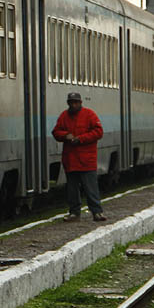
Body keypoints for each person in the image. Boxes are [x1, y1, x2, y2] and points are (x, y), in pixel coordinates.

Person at [52, 91, 105, 222]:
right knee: (72, 189)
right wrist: (65, 135)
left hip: (87, 160)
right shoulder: (64, 116)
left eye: (76, 102)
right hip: (70, 160)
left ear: (80, 103)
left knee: (91, 188)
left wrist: (80, 139)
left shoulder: (89, 115)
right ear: (68, 103)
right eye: (71, 102)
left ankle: (97, 212)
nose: (73, 105)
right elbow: (56, 131)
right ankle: (74, 213)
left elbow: (98, 132)